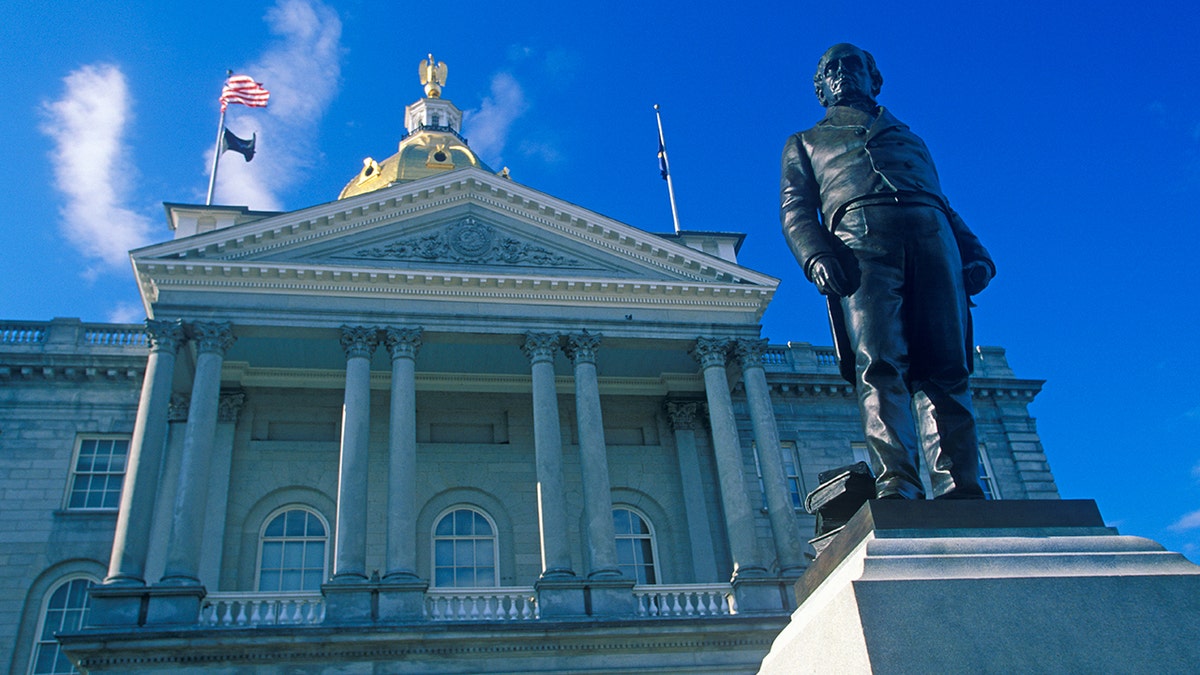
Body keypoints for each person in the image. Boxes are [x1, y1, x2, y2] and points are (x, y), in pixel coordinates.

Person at [780, 43, 995, 500]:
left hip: (933, 239)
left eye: (851, 65)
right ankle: (897, 477)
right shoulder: (806, 141)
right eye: (831, 70)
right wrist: (816, 257)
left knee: (947, 367)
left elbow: (941, 200)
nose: (841, 74)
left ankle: (959, 482)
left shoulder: (910, 137)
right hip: (860, 242)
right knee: (878, 363)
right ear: (821, 88)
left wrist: (974, 251)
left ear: (873, 78)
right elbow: (796, 210)